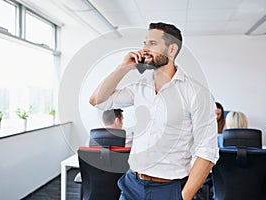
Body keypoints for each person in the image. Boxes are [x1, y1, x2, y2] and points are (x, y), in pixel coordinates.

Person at [89, 22, 219, 200]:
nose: (144, 49)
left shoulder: (196, 93)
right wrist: (123, 67)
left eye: (152, 44)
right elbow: (98, 100)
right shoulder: (140, 87)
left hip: (168, 189)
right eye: (144, 43)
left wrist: (184, 197)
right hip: (132, 184)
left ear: (171, 50)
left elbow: (207, 151)